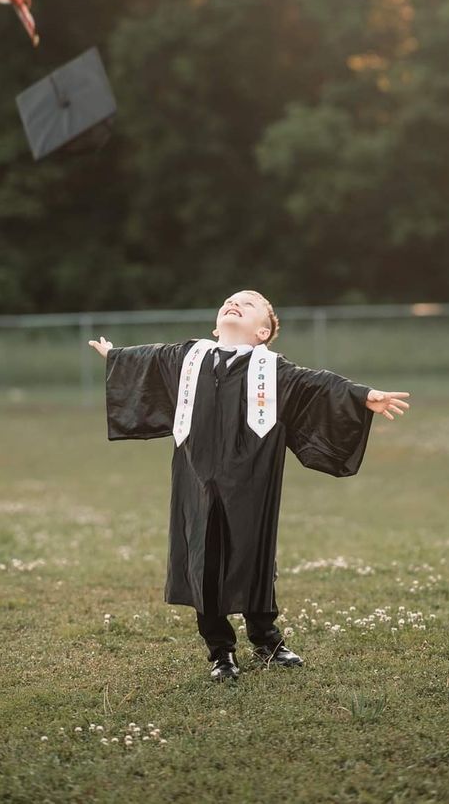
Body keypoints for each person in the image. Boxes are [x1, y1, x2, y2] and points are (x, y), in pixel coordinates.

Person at [89, 290, 410, 682]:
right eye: (230, 300)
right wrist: (117, 358)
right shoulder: (188, 358)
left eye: (249, 303)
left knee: (253, 555)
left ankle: (266, 640)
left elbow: (316, 384)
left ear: (262, 331)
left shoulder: (272, 370)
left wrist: (363, 395)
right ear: (215, 324)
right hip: (197, 478)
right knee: (202, 558)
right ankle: (220, 652)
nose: (235, 302)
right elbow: (150, 360)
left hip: (252, 478)